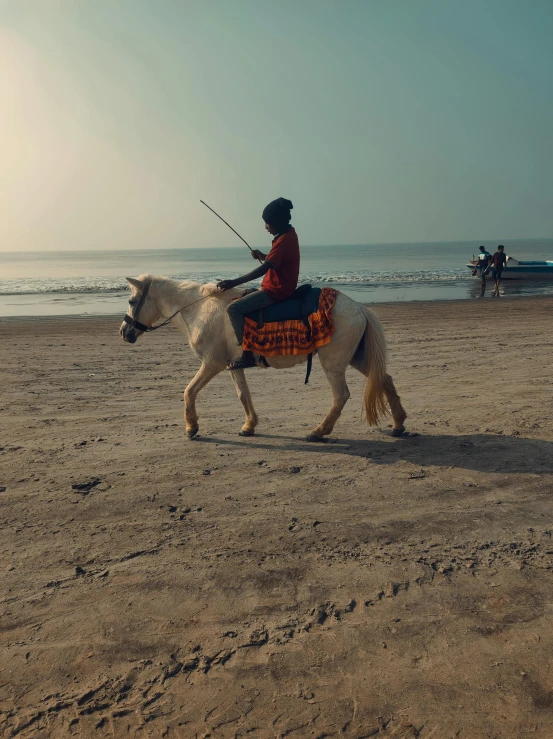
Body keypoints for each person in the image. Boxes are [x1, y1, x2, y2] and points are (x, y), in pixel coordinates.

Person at [217, 197, 300, 370]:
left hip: (276, 291)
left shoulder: (283, 241)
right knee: (247, 294)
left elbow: (264, 270)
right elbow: (276, 260)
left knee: (234, 309)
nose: (266, 228)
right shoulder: (287, 234)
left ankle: (247, 355)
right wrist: (263, 256)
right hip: (277, 287)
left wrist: (234, 282)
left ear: (277, 222)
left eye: (268, 223)